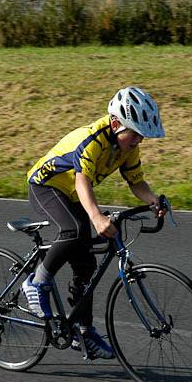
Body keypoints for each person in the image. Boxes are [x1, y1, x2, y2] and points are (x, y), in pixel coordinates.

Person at [23, 86, 166, 359]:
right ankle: (36, 283)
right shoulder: (93, 139)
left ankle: (83, 331)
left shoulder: (127, 146)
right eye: (134, 134)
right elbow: (82, 181)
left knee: (86, 263)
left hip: (74, 193)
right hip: (46, 187)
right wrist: (97, 217)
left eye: (142, 136)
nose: (138, 141)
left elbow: (136, 181)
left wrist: (152, 200)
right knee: (75, 230)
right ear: (115, 124)